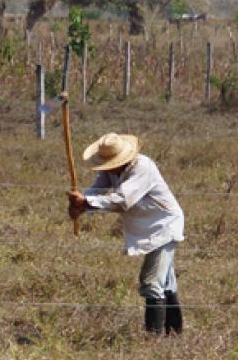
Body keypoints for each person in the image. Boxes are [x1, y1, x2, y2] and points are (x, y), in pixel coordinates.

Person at [68, 133, 185, 335]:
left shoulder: (142, 167)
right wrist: (81, 204)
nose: (107, 167)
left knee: (151, 282)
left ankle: (154, 340)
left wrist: (86, 202)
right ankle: (174, 334)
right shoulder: (111, 171)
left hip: (164, 227)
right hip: (148, 226)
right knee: (166, 282)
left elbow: (122, 201)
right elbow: (97, 190)